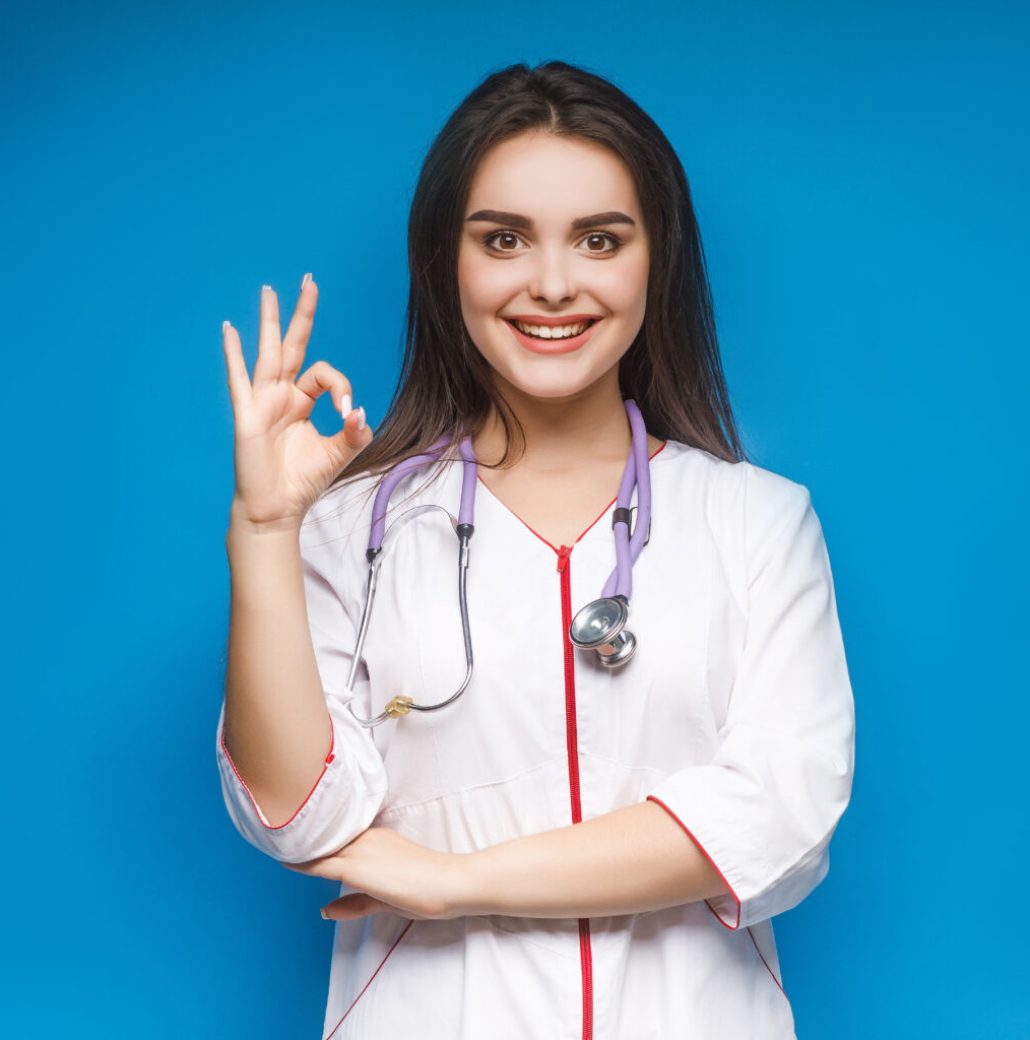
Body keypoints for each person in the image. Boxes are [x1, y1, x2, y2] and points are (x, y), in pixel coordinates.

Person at [215, 60, 855, 1040]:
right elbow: (298, 811)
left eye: (599, 239)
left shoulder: (756, 520)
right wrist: (265, 532)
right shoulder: (358, 526)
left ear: (657, 259)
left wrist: (450, 879)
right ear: (445, 262)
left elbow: (778, 812)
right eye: (503, 239)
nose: (551, 283)